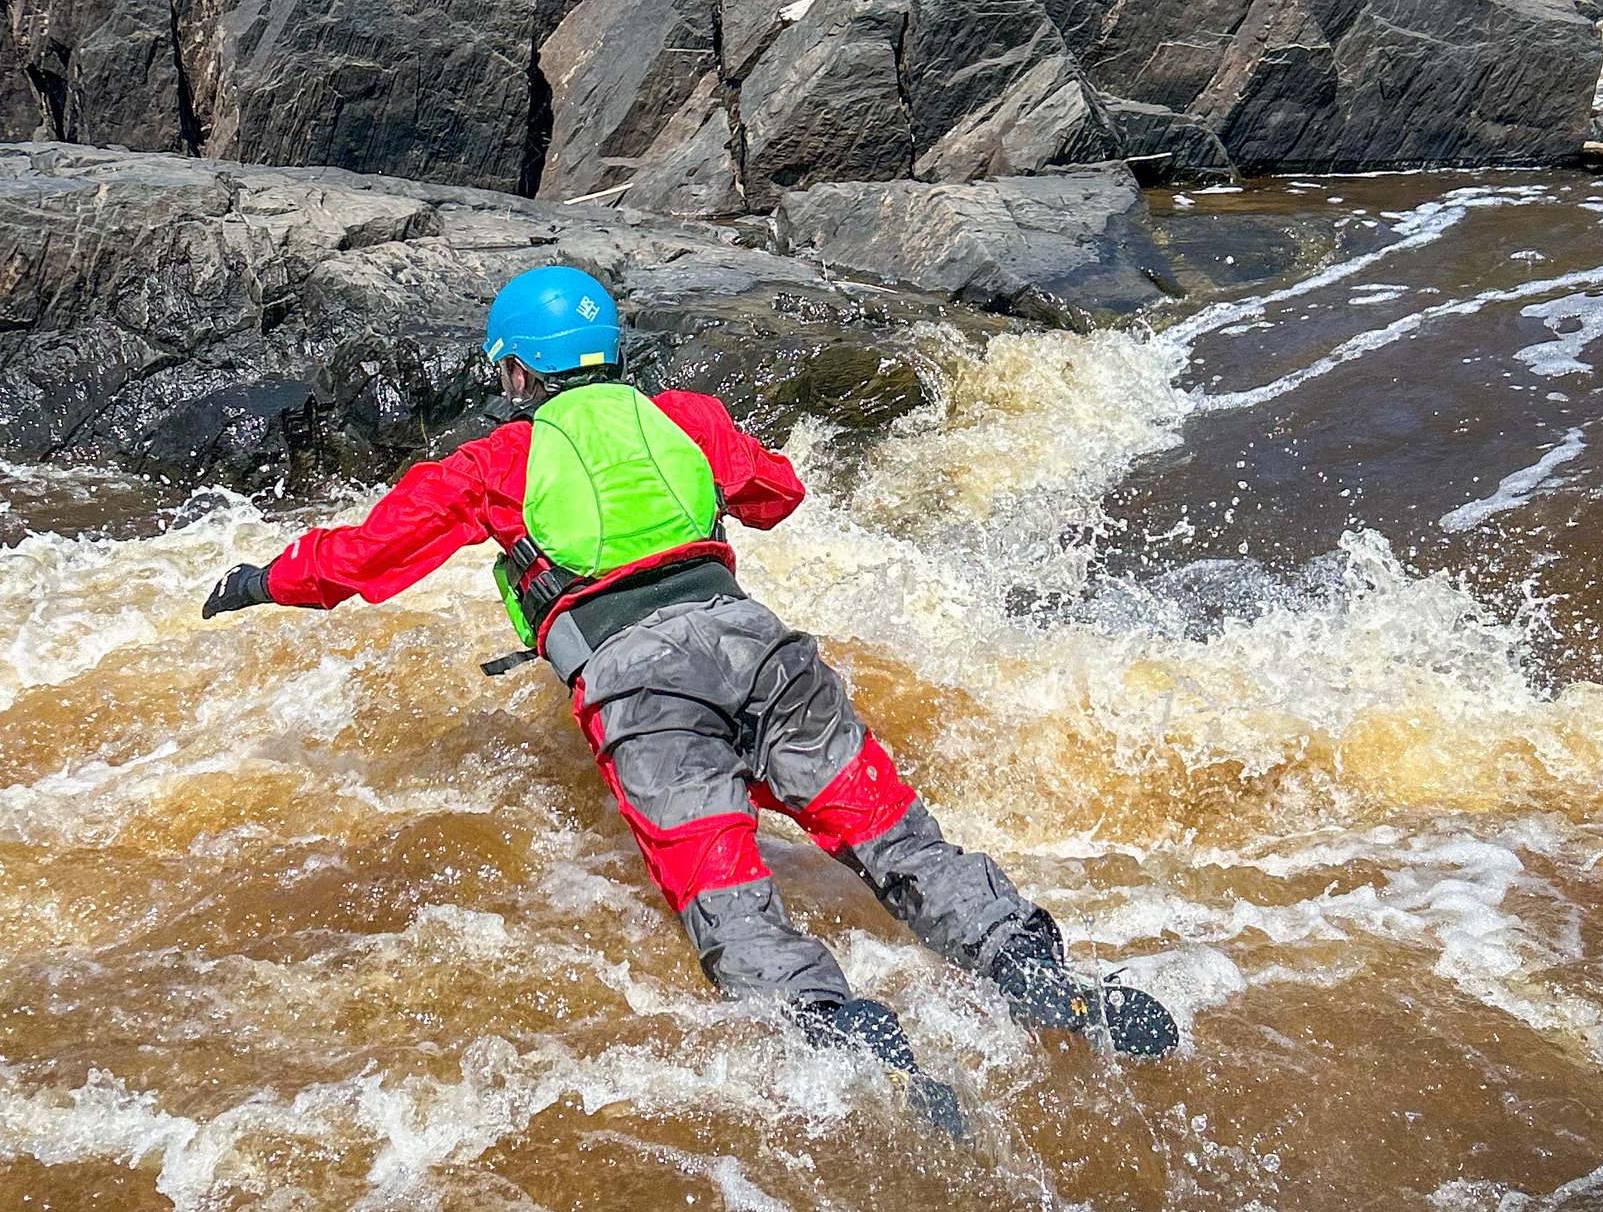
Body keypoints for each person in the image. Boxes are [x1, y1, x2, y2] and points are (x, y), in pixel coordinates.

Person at [203, 262, 1178, 1120]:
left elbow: (361, 560)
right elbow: (779, 493)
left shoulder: (494, 462)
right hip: (763, 652)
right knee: (887, 830)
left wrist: (257, 582)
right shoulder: (685, 419)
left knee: (723, 891)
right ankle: (1024, 964)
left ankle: (842, 1043)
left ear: (516, 371)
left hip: (640, 689)